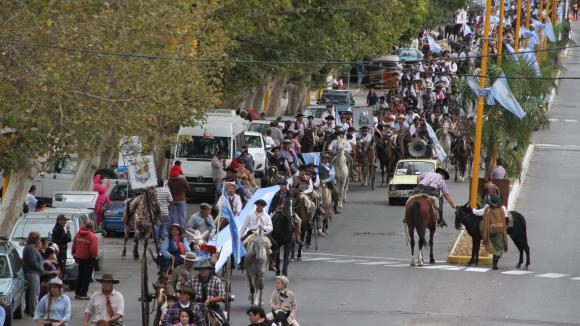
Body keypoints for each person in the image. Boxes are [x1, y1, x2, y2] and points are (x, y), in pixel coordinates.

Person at [472, 194, 509, 270]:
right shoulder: (503, 208)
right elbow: (506, 218)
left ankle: (494, 255)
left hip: (489, 231)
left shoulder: (486, 209)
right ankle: (495, 261)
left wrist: (472, 209)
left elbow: (477, 212)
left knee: (491, 244)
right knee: (499, 246)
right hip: (499, 231)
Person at [24, 231, 56, 315]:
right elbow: (34, 263)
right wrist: (42, 270)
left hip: (33, 272)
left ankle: (31, 309)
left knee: (33, 293)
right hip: (32, 273)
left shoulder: (31, 248)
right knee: (34, 293)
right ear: (35, 239)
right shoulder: (30, 249)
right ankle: (33, 311)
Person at [186, 260, 228, 325]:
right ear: (199, 271)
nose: (203, 271)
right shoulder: (193, 280)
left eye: (205, 269)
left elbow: (222, 296)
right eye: (201, 269)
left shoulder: (216, 280)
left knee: (225, 324)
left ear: (209, 270)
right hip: (196, 306)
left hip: (212, 307)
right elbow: (185, 289)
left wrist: (210, 300)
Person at [73, 220, 99, 300]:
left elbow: (74, 246)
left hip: (79, 258)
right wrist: (93, 257)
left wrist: (75, 255)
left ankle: (77, 292)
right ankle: (83, 293)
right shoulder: (92, 236)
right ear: (91, 227)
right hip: (88, 259)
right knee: (87, 277)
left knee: (80, 275)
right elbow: (93, 249)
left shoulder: (78, 234)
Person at [168, 162, 190, 228]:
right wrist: (185, 193)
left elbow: (169, 189)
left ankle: (175, 228)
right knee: (182, 215)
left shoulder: (170, 181)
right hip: (181, 199)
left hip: (173, 200)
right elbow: (188, 189)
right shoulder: (182, 180)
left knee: (174, 215)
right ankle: (182, 228)